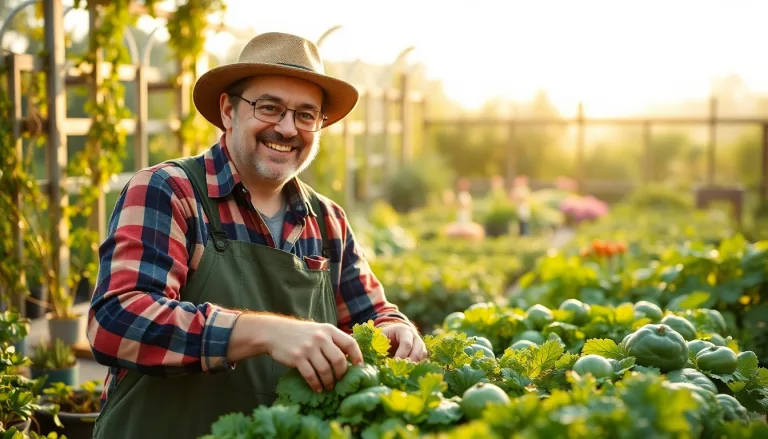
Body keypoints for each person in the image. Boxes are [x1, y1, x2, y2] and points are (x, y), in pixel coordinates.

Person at [87, 32, 427, 439]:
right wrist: (265, 332)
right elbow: (116, 323)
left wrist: (397, 330)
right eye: (269, 107)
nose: (287, 128)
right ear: (229, 111)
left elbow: (374, 313)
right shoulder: (169, 191)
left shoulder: (327, 220)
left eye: (306, 115)